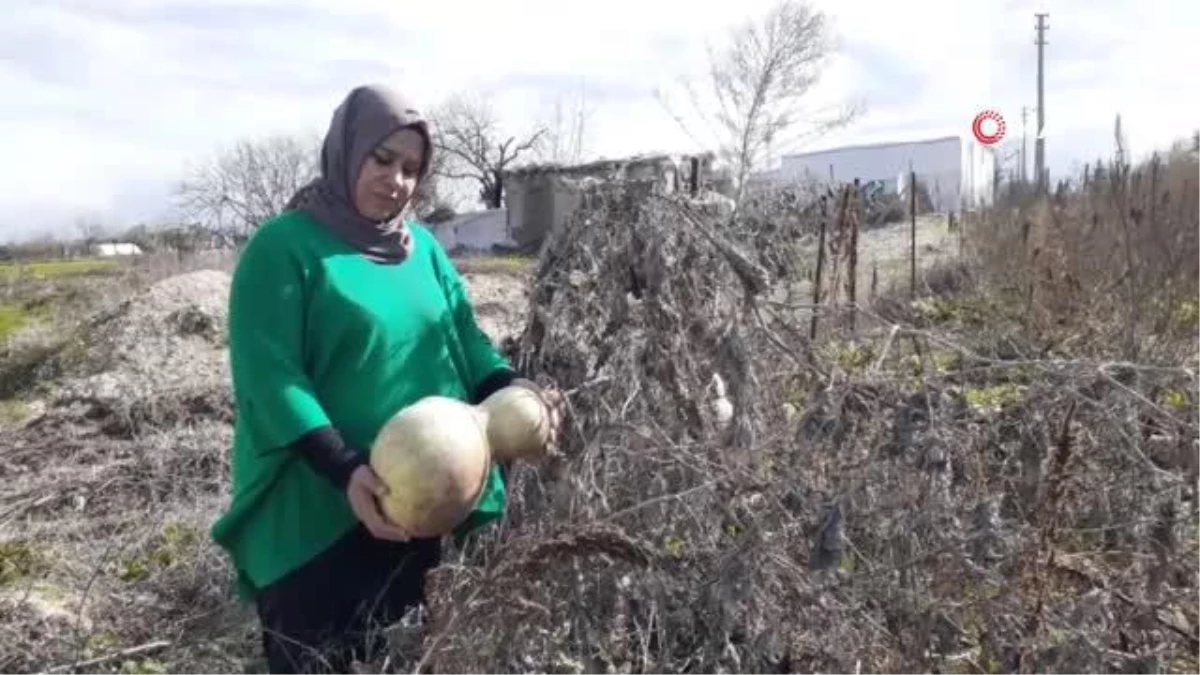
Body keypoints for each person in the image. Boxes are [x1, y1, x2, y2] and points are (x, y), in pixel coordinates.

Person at [209, 83, 563, 675]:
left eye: (411, 169)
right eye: (382, 159)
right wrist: (346, 468)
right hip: (316, 515)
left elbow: (465, 339)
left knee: (399, 657)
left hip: (417, 502)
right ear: (347, 150)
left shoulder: (421, 248)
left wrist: (515, 391)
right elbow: (271, 379)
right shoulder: (283, 248)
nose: (397, 180)